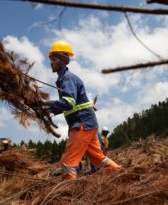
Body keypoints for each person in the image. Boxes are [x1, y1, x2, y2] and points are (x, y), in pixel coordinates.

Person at [46, 40, 121, 180]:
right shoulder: (66, 79)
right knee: (99, 160)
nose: (51, 62)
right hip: (88, 123)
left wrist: (48, 105)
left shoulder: (67, 78)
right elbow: (70, 104)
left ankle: (68, 195)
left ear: (63, 60)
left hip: (82, 124)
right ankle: (125, 174)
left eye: (54, 58)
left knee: (68, 163)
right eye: (50, 59)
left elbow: (68, 103)